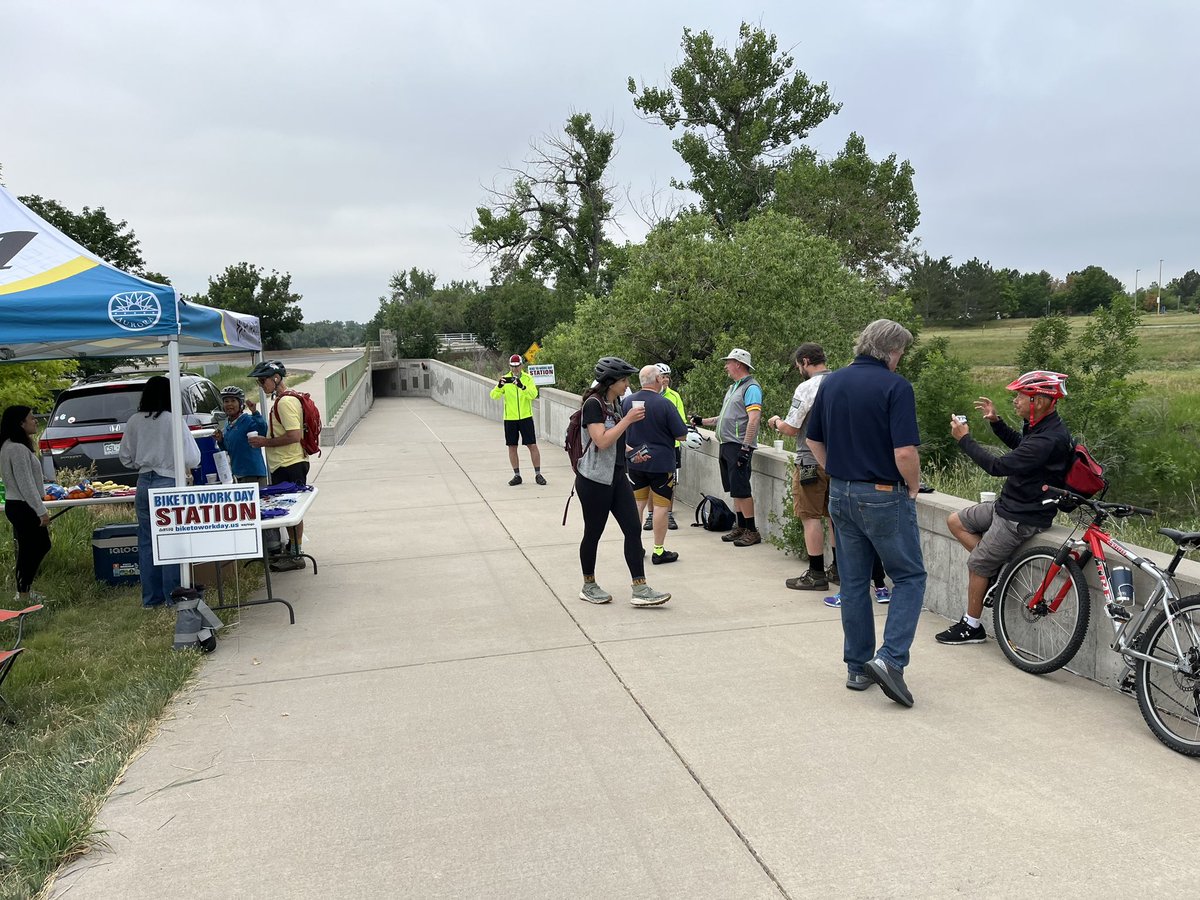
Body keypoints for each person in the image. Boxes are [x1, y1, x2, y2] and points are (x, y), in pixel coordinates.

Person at [807, 319, 926, 707]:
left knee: (854, 582)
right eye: (901, 354)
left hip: (841, 493)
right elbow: (905, 453)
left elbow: (813, 439)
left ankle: (858, 667)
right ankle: (890, 660)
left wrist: (838, 474)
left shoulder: (832, 382)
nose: (900, 360)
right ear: (891, 351)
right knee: (909, 576)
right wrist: (911, 485)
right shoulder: (896, 387)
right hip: (883, 494)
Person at [937, 370, 1073, 645]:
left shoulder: (1049, 438)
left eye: (1021, 396)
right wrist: (997, 423)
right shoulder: (1041, 428)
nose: (1015, 401)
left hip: (1021, 517)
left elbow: (997, 467)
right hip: (1008, 506)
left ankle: (971, 626)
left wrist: (964, 439)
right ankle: (995, 568)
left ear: (1040, 401)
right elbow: (1022, 447)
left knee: (977, 563)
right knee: (955, 521)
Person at [575, 357, 671, 607]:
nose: (628, 384)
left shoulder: (613, 403)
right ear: (612, 382)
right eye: (624, 379)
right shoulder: (593, 405)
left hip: (617, 477)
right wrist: (628, 420)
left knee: (632, 528)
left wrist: (632, 452)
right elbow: (602, 441)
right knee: (593, 533)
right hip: (594, 481)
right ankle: (589, 584)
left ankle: (640, 588)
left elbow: (615, 442)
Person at [118, 376, 201, 609]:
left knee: (146, 541)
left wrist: (143, 462)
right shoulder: (172, 420)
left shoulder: (134, 420)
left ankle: (150, 599)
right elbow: (193, 458)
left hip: (144, 481)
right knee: (171, 542)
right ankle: (171, 597)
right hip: (168, 481)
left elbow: (125, 457)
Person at [768, 343, 838, 591]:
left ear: (805, 362)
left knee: (810, 516)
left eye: (799, 365)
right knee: (834, 517)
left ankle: (816, 573)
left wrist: (776, 422)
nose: (799, 369)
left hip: (810, 461)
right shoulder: (841, 382)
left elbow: (792, 427)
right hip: (839, 462)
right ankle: (838, 569)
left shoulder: (807, 387)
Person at [690, 348, 763, 547]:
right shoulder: (733, 388)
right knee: (734, 490)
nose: (726, 367)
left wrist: (746, 448)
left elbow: (754, 419)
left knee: (742, 489)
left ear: (738, 364)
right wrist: (702, 420)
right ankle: (740, 526)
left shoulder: (751, 388)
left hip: (739, 445)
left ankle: (752, 530)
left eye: (728, 362)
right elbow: (724, 418)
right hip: (726, 444)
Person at [623, 365, 688, 565]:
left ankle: (635, 547)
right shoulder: (665, 403)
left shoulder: (626, 402)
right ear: (657, 380)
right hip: (660, 463)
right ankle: (658, 550)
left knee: (637, 504)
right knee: (661, 506)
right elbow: (681, 434)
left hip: (635, 461)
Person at [247, 360, 307, 570]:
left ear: (276, 378)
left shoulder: (285, 402)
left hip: (289, 463)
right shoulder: (283, 399)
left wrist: (265, 442)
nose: (261, 385)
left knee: (292, 511)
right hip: (286, 463)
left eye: (263, 380)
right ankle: (293, 549)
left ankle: (296, 555)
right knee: (290, 509)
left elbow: (294, 435)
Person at [1, 405, 52, 604]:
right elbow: (25, 483)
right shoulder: (17, 448)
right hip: (23, 505)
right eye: (31, 418)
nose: (35, 421)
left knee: (30, 547)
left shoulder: (7, 445)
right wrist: (41, 510)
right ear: (20, 423)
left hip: (18, 504)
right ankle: (23, 592)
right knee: (37, 546)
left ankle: (24, 590)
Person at [490, 354, 544, 486]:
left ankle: (538, 474)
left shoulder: (527, 378)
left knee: (532, 445)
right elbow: (494, 396)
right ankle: (517, 475)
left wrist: (522, 386)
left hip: (526, 417)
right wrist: (499, 386)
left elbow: (533, 395)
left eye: (517, 366)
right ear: (509, 366)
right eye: (513, 367)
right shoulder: (506, 378)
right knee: (512, 446)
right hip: (510, 418)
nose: (515, 369)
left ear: (521, 365)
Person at [644, 363, 685, 532]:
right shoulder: (645, 396)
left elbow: (681, 422)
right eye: (663, 376)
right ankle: (651, 514)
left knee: (670, 482)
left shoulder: (674, 396)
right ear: (656, 378)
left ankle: (668, 513)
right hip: (649, 445)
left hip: (671, 446)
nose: (666, 379)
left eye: (668, 376)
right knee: (648, 482)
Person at [215, 386, 268, 485]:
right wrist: (220, 440)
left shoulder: (247, 420)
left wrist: (255, 413)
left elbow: (263, 431)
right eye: (226, 401)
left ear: (240, 404)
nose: (229, 404)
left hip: (253, 474)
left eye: (233, 401)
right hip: (237, 475)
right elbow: (229, 448)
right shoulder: (228, 425)